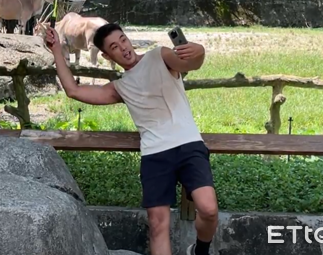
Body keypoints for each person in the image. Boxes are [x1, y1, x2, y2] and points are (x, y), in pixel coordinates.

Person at [44, 23, 219, 255]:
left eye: (123, 40)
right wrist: (56, 48)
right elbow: (73, 90)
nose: (123, 48)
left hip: (189, 144)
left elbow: (190, 63)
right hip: (155, 154)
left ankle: (200, 250)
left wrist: (199, 52)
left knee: (208, 209)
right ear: (107, 55)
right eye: (114, 47)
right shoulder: (120, 87)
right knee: (158, 224)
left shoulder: (159, 56)